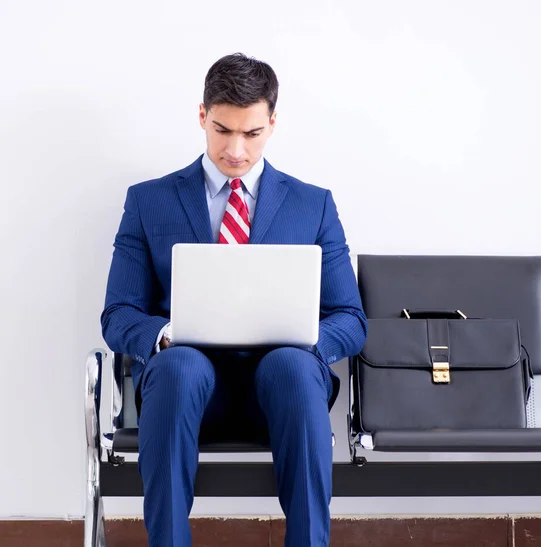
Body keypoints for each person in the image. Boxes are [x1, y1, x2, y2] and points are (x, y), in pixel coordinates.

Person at [101, 52, 367, 547]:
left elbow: (350, 319)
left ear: (272, 124)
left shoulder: (313, 204)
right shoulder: (149, 201)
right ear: (202, 116)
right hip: (186, 394)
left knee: (292, 366)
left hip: (284, 390)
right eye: (223, 131)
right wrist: (163, 336)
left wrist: (310, 342)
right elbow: (118, 314)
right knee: (180, 366)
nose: (237, 150)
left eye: (252, 133)